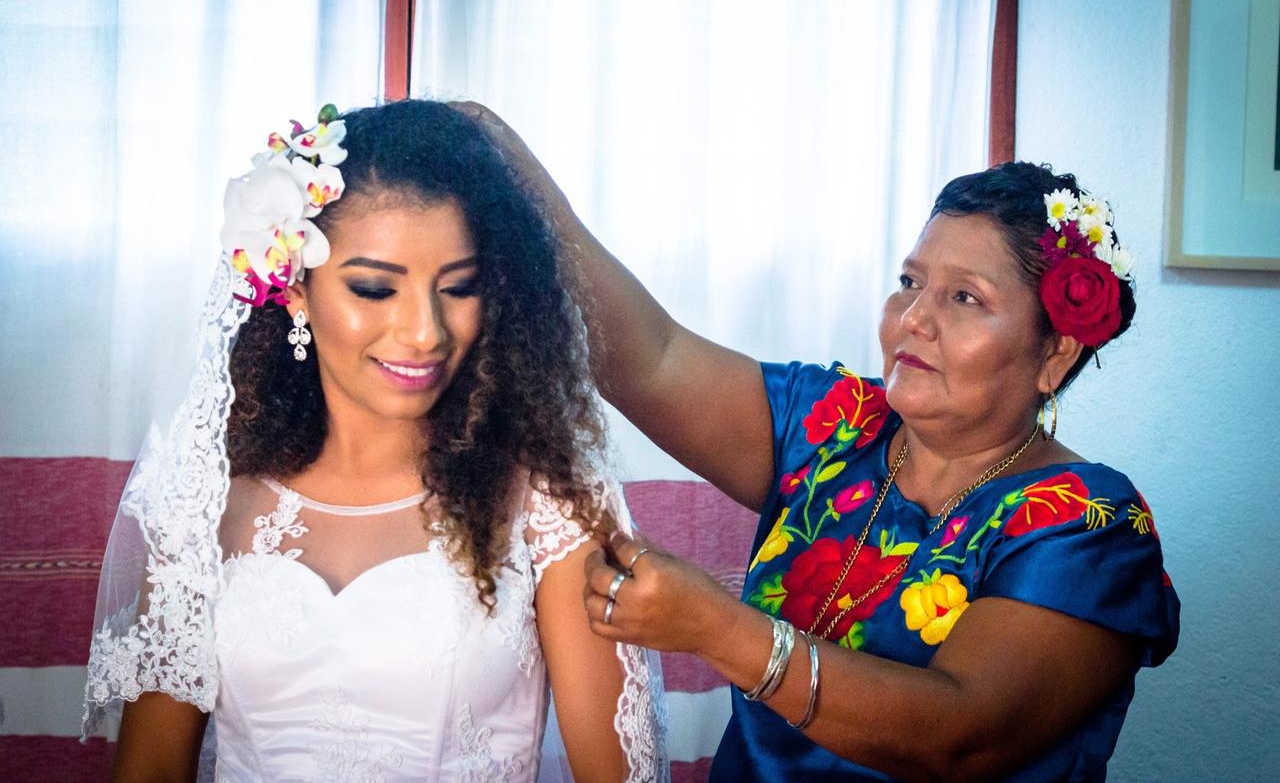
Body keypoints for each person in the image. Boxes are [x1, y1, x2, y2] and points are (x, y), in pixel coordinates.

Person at [463, 103, 1179, 782]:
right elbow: (652, 359)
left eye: (965, 298)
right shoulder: (837, 425)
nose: (912, 319)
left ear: (1054, 352)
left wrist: (718, 628)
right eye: (910, 281)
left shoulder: (1090, 525)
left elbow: (956, 737)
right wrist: (497, 154)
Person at [82, 99, 667, 782]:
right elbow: (149, 768)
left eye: (459, 286)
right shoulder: (199, 498)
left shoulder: (550, 502)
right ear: (294, 286)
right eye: (374, 288)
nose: (425, 331)